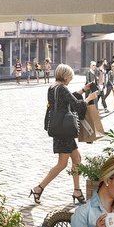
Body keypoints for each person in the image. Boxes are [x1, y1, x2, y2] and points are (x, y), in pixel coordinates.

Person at [31, 64, 87, 206]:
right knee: (62, 164)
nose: (70, 81)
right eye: (70, 78)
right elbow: (76, 105)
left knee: (77, 159)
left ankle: (77, 190)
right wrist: (88, 98)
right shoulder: (62, 88)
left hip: (61, 129)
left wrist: (83, 90)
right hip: (64, 131)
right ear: (66, 76)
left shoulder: (52, 87)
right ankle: (39, 188)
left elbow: (66, 100)